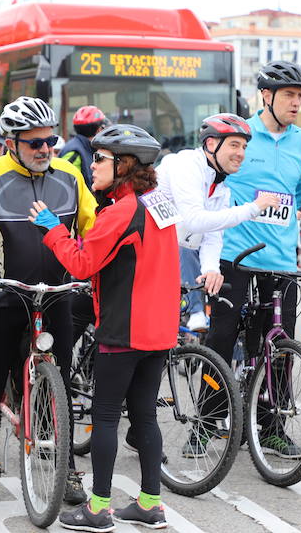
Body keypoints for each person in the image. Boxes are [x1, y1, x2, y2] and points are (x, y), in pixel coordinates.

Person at [0, 96, 97, 507]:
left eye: (49, 140)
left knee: (60, 385)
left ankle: (66, 472)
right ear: (12, 143)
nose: (45, 149)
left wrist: (94, 265)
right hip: (3, 295)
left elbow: (94, 225)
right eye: (34, 143)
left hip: (55, 296)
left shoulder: (68, 175)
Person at [30, 125, 176, 532]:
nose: (91, 165)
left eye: (100, 159)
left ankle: (98, 509)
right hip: (159, 328)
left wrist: (52, 228)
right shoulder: (157, 204)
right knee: (145, 415)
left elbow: (79, 264)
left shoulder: (120, 212)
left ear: (124, 165)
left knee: (107, 416)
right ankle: (150, 505)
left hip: (125, 327)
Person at [204, 61, 301, 458]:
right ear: (265, 96)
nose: (296, 103)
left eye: (300, 96)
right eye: (289, 95)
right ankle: (207, 421)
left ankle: (271, 427)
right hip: (235, 255)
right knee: (220, 337)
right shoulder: (240, 134)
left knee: (278, 346)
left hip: (281, 259)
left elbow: (297, 191)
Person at [156, 114, 278, 333]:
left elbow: (213, 234)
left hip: (172, 249)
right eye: (234, 145)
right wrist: (252, 208)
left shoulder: (220, 185)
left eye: (244, 147)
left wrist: (211, 268)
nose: (241, 153)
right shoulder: (186, 164)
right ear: (211, 144)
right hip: (146, 251)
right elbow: (194, 220)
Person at [61, 105, 108, 188]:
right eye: (104, 128)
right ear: (100, 129)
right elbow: (66, 185)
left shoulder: (90, 148)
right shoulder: (74, 152)